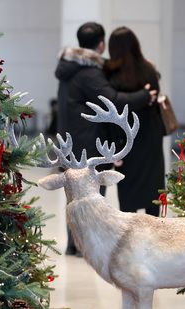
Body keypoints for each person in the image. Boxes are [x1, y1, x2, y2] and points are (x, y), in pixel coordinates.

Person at [55, 22, 156, 256]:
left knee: (74, 196)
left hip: (69, 142)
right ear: (101, 45)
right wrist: (144, 96)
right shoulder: (89, 72)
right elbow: (114, 100)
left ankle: (75, 244)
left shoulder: (67, 68)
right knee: (91, 198)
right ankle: (86, 246)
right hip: (87, 144)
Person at [104, 26, 164, 217]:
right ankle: (155, 241)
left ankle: (132, 242)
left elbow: (111, 111)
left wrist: (114, 149)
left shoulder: (111, 75)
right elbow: (154, 99)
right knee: (153, 193)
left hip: (126, 141)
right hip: (151, 138)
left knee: (128, 198)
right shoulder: (148, 70)